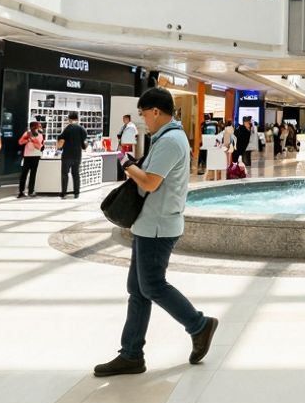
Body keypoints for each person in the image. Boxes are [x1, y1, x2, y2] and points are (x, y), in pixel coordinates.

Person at [94, 88, 219, 377]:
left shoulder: (171, 141)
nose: (143, 121)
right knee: (137, 290)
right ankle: (131, 354)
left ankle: (199, 325)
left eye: (143, 115)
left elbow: (150, 183)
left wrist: (126, 165)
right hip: (150, 224)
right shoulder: (165, 138)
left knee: (151, 286)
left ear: (155, 112)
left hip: (159, 227)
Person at [57, 111, 88, 199]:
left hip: (67, 155)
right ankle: (76, 193)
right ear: (77, 119)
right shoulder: (82, 129)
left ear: (69, 119)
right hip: (77, 155)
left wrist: (59, 148)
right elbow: (84, 145)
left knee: (64, 174)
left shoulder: (68, 128)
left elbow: (61, 139)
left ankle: (64, 192)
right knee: (76, 174)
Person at [18, 121, 45, 198]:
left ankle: (31, 191)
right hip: (27, 156)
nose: (39, 127)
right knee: (24, 174)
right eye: (37, 126)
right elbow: (20, 142)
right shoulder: (27, 134)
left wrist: (33, 140)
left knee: (33, 174)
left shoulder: (40, 135)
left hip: (36, 156)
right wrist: (27, 140)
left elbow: (39, 146)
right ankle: (21, 192)